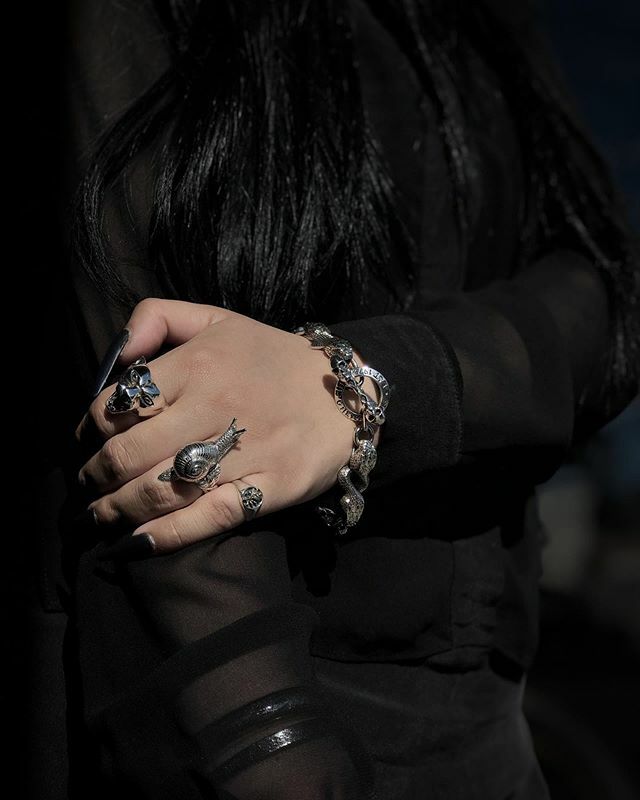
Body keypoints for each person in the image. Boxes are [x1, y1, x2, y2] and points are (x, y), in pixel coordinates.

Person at [27, 0, 639, 798]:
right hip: (231, 705)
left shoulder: (478, 27)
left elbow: (605, 295)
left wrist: (365, 385)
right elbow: (151, 428)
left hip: (488, 731)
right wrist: (269, 741)